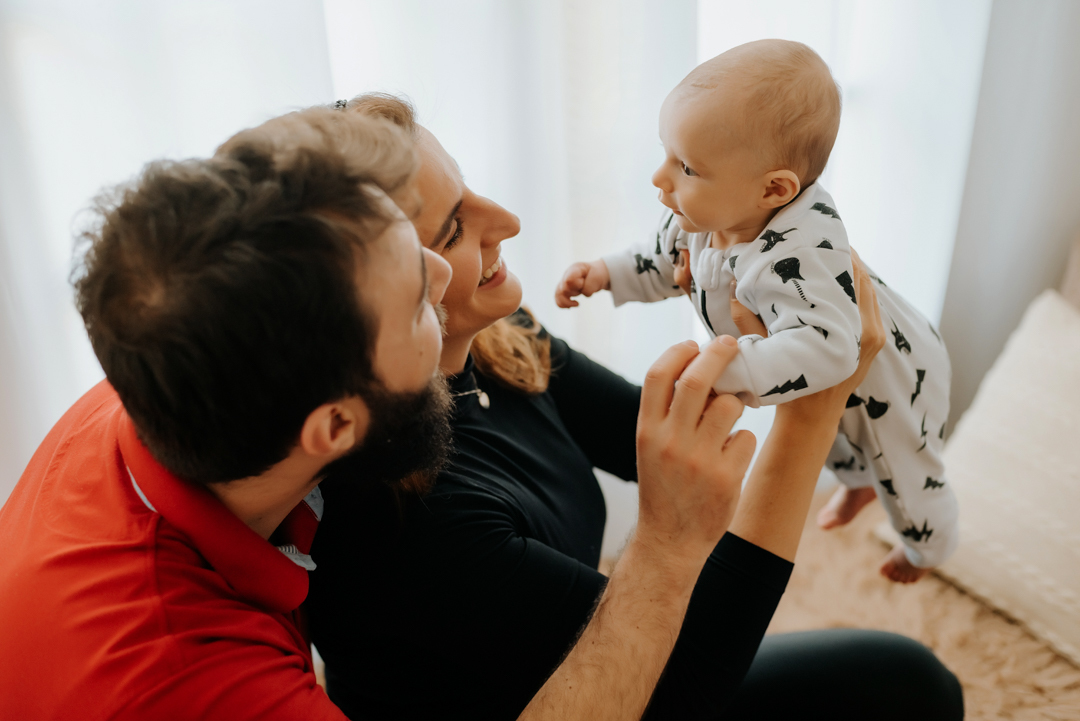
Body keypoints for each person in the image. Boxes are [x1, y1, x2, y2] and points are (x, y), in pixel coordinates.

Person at [0, 107, 757, 720]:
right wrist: (662, 551)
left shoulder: (180, 357)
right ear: (334, 427)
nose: (440, 273)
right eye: (417, 297)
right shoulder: (202, 680)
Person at [307, 94, 963, 720]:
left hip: (612, 665)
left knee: (909, 681)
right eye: (454, 227)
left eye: (468, 186)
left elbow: (657, 446)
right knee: (906, 690)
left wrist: (732, 302)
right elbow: (687, 681)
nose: (506, 219)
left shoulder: (493, 343)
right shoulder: (412, 524)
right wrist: (814, 408)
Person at [555, 39, 958, 583]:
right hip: (825, 371)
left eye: (687, 167)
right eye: (666, 154)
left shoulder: (804, 250)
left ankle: (925, 548)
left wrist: (729, 369)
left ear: (774, 189)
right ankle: (856, 485)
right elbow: (658, 261)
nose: (660, 178)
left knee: (904, 467)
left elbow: (832, 348)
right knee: (835, 442)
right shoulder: (703, 215)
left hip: (895, 378)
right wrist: (606, 274)